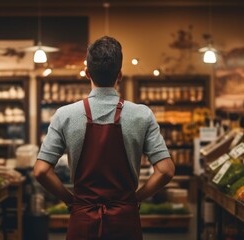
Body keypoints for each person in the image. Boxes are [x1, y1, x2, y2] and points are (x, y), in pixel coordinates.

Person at [34, 36, 175, 240]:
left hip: (83, 219)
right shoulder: (142, 115)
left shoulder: (65, 115)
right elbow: (166, 170)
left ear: (87, 73)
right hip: (125, 220)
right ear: (120, 75)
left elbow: (41, 171)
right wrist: (135, 198)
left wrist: (71, 200)